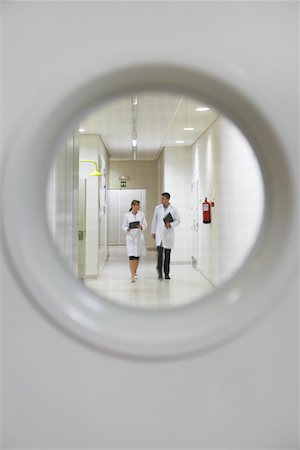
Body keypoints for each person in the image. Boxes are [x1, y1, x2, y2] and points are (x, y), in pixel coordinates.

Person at [151, 192, 180, 280]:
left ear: (168, 199)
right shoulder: (157, 208)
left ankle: (167, 273)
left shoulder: (173, 209)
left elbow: (178, 221)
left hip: (168, 235)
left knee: (167, 256)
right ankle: (160, 273)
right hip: (159, 234)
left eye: (163, 198)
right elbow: (154, 220)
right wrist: (153, 232)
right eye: (161, 198)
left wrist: (170, 224)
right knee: (159, 255)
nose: (161, 200)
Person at [121, 200, 147, 282]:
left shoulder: (142, 214)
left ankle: (135, 272)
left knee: (137, 256)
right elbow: (123, 225)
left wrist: (141, 226)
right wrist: (127, 228)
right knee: (131, 256)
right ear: (132, 205)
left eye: (139, 205)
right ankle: (132, 273)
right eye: (137, 205)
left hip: (139, 237)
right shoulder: (127, 215)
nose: (138, 207)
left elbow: (145, 224)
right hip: (130, 237)